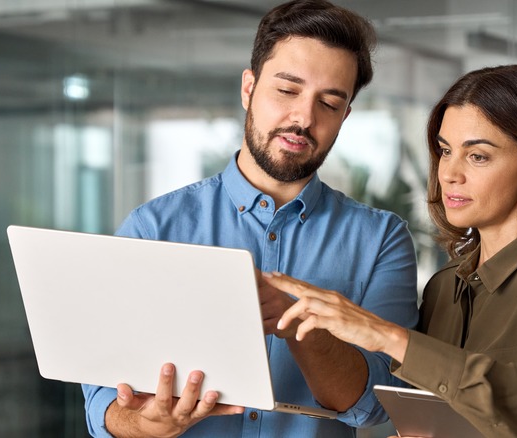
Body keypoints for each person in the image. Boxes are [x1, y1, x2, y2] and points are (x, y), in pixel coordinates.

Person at [81, 1, 420, 436]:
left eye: (330, 103)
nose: (304, 118)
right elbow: (102, 400)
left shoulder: (380, 239)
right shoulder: (153, 228)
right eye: (287, 90)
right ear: (249, 87)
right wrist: (143, 425)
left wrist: (297, 321)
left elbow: (378, 404)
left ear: (345, 116)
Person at [266, 64, 517, 438]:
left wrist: (388, 336)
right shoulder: (444, 287)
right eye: (445, 151)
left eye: (478, 156)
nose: (449, 174)